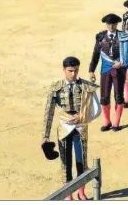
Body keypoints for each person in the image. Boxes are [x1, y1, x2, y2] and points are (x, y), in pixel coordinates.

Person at [42, 56, 100, 200]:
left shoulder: (86, 86)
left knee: (81, 160)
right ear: (64, 70)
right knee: (65, 162)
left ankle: (81, 192)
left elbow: (96, 108)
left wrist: (83, 116)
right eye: (70, 71)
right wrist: (45, 135)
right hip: (64, 127)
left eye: (76, 70)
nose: (73, 74)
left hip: (80, 127)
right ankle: (68, 194)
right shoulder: (56, 88)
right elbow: (49, 112)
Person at [88, 14, 128, 132]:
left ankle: (116, 122)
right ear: (106, 24)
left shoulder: (123, 36)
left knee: (118, 96)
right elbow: (95, 54)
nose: (111, 26)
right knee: (104, 96)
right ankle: (106, 121)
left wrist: (122, 63)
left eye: (114, 24)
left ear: (117, 24)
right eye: (109, 24)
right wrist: (91, 70)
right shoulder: (100, 37)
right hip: (105, 69)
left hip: (119, 69)